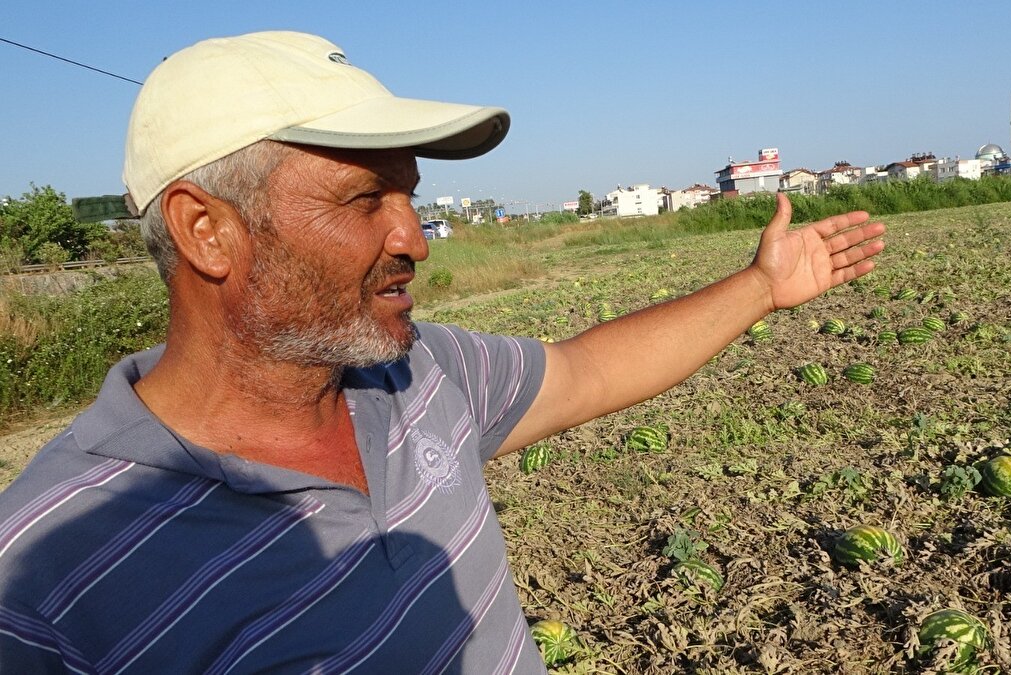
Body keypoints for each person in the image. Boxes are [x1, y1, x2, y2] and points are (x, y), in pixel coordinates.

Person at [0, 31, 884, 673]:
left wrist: (761, 287)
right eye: (363, 200)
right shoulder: (47, 583)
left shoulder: (418, 372)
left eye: (411, 197)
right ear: (207, 231)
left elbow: (586, 371)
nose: (415, 239)